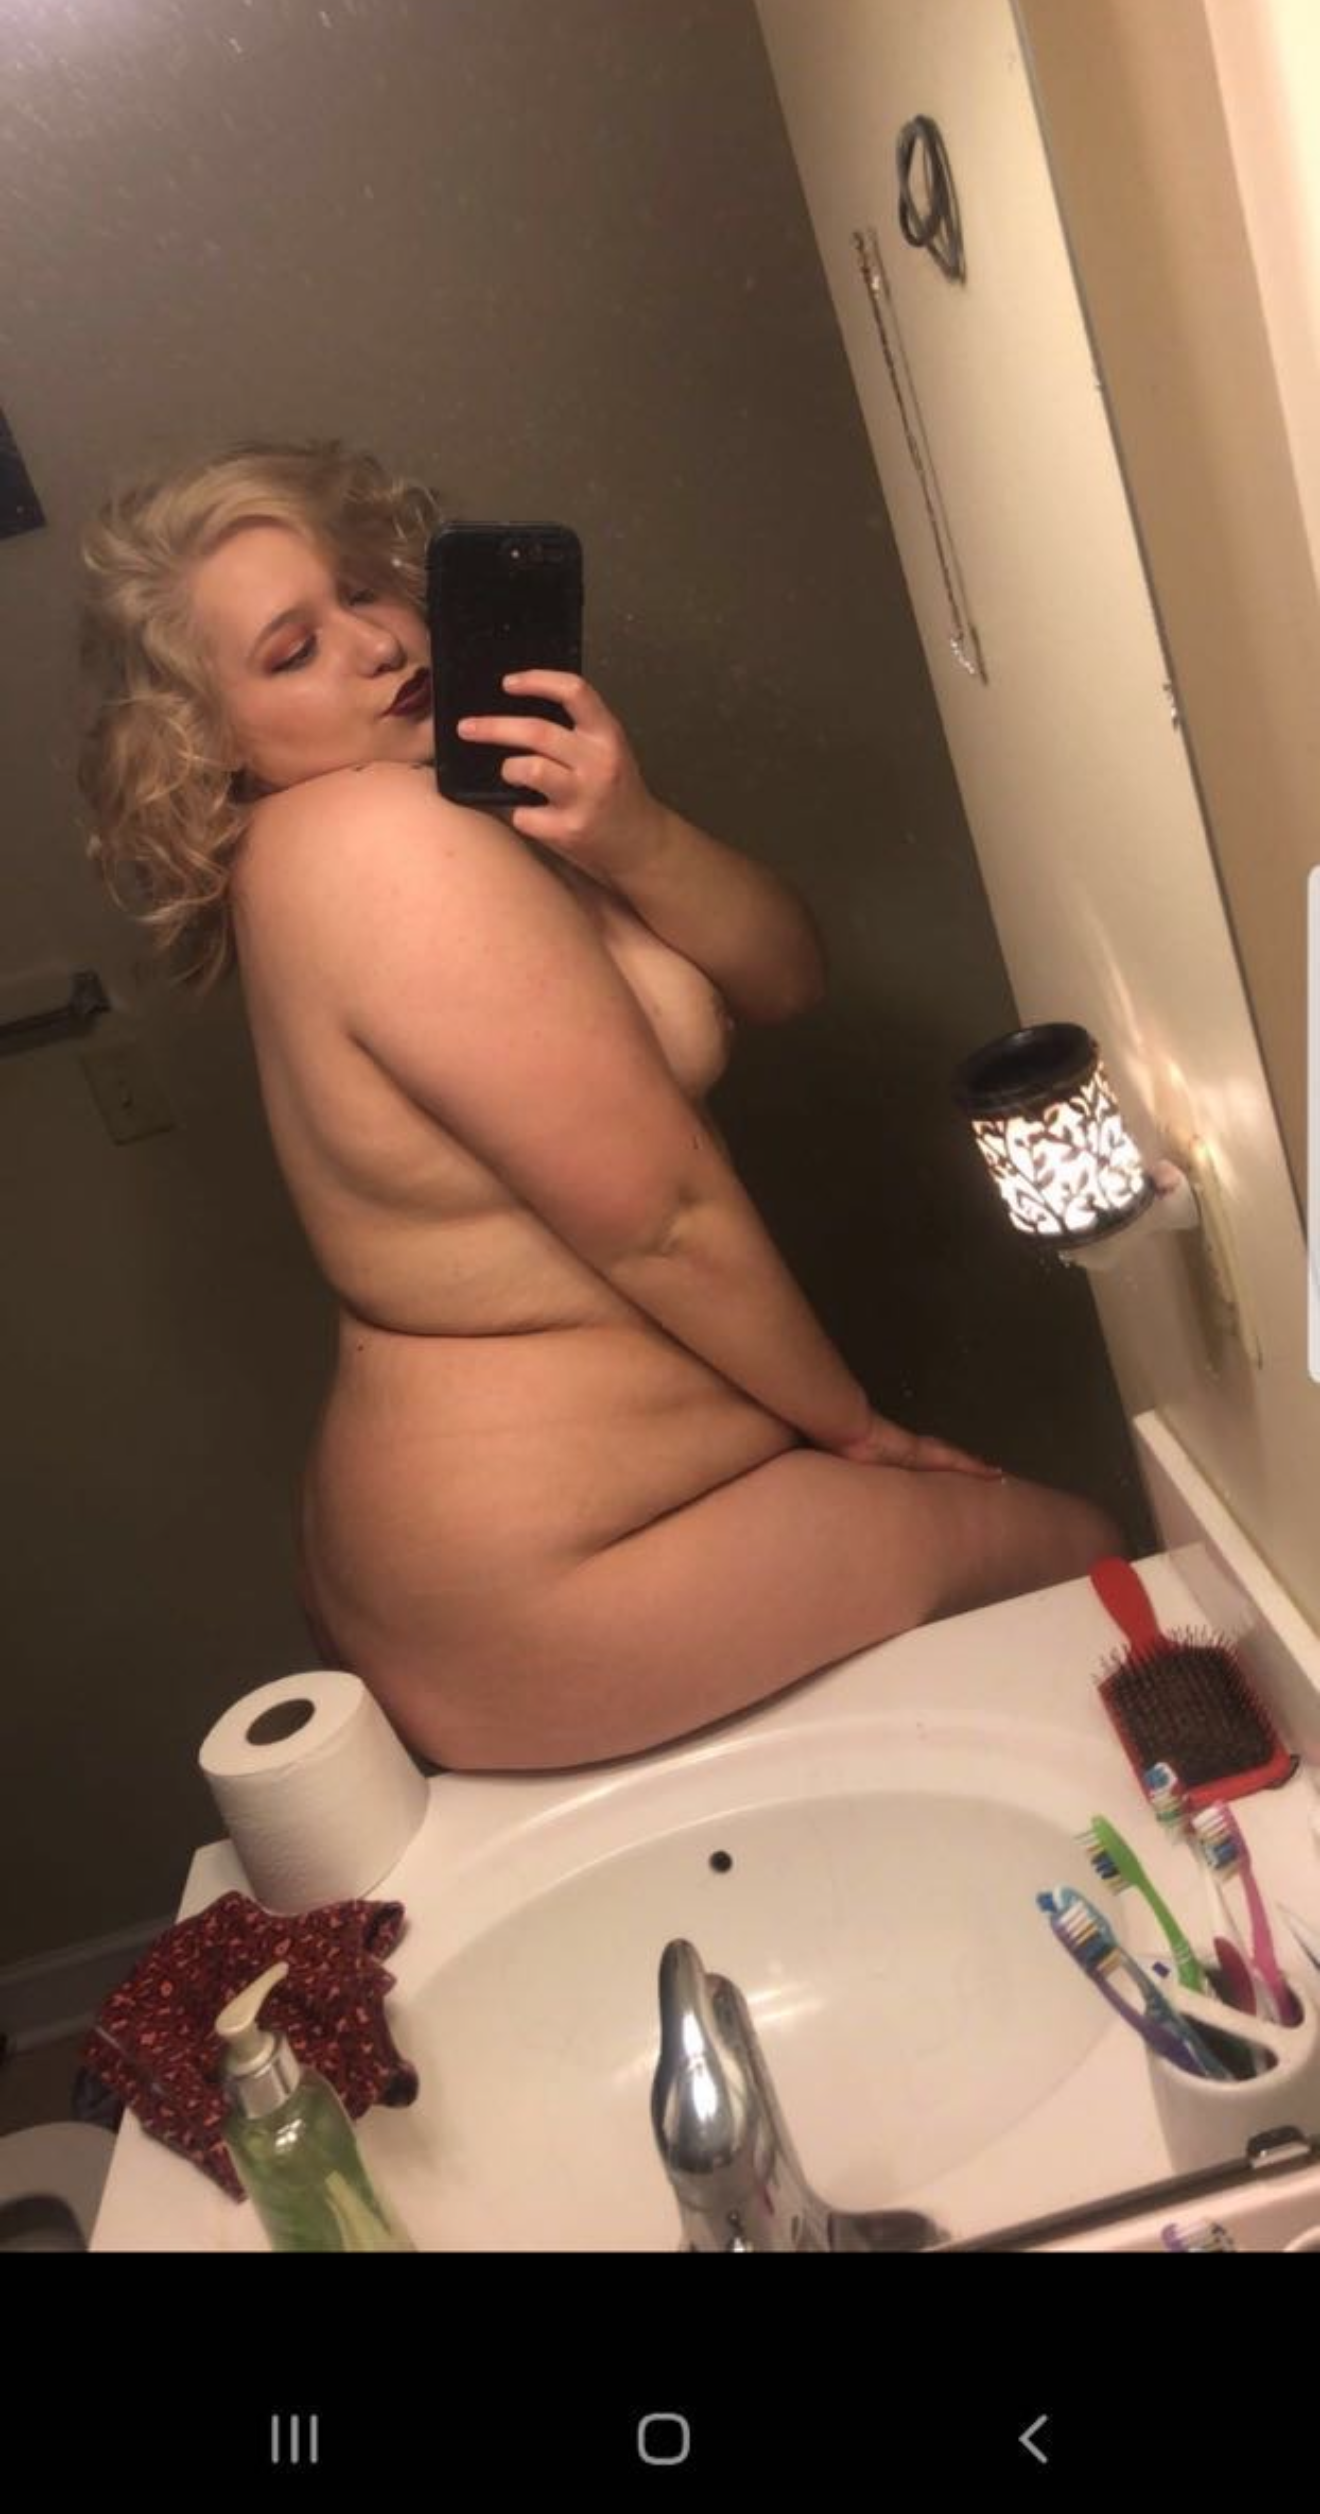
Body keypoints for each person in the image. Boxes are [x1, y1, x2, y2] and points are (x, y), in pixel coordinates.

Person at [76, 439, 1123, 1770]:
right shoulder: (378, 846)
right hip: (552, 1574)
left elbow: (784, 980)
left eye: (362, 591)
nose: (377, 644)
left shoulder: (452, 802)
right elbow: (659, 1216)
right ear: (214, 740)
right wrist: (861, 1432)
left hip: (548, 1539)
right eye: (294, 651)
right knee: (1085, 1563)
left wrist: (633, 831)